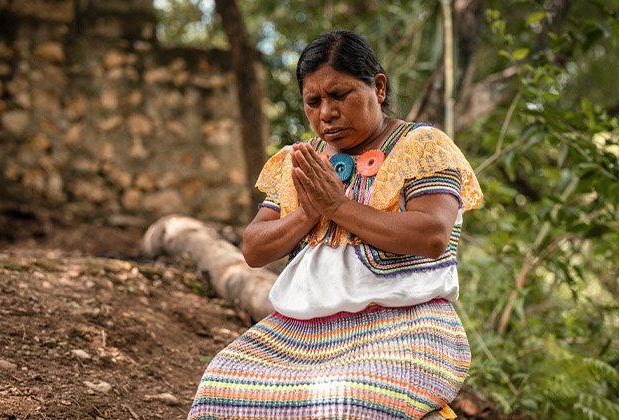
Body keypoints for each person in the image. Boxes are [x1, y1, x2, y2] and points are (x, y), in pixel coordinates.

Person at [188, 29, 483, 420]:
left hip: (407, 331)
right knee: (219, 390)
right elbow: (254, 249)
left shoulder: (422, 146)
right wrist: (308, 213)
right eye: (313, 101)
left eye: (340, 95)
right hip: (297, 336)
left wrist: (338, 205)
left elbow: (432, 235)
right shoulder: (301, 160)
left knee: (343, 404)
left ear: (378, 87)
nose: (326, 112)